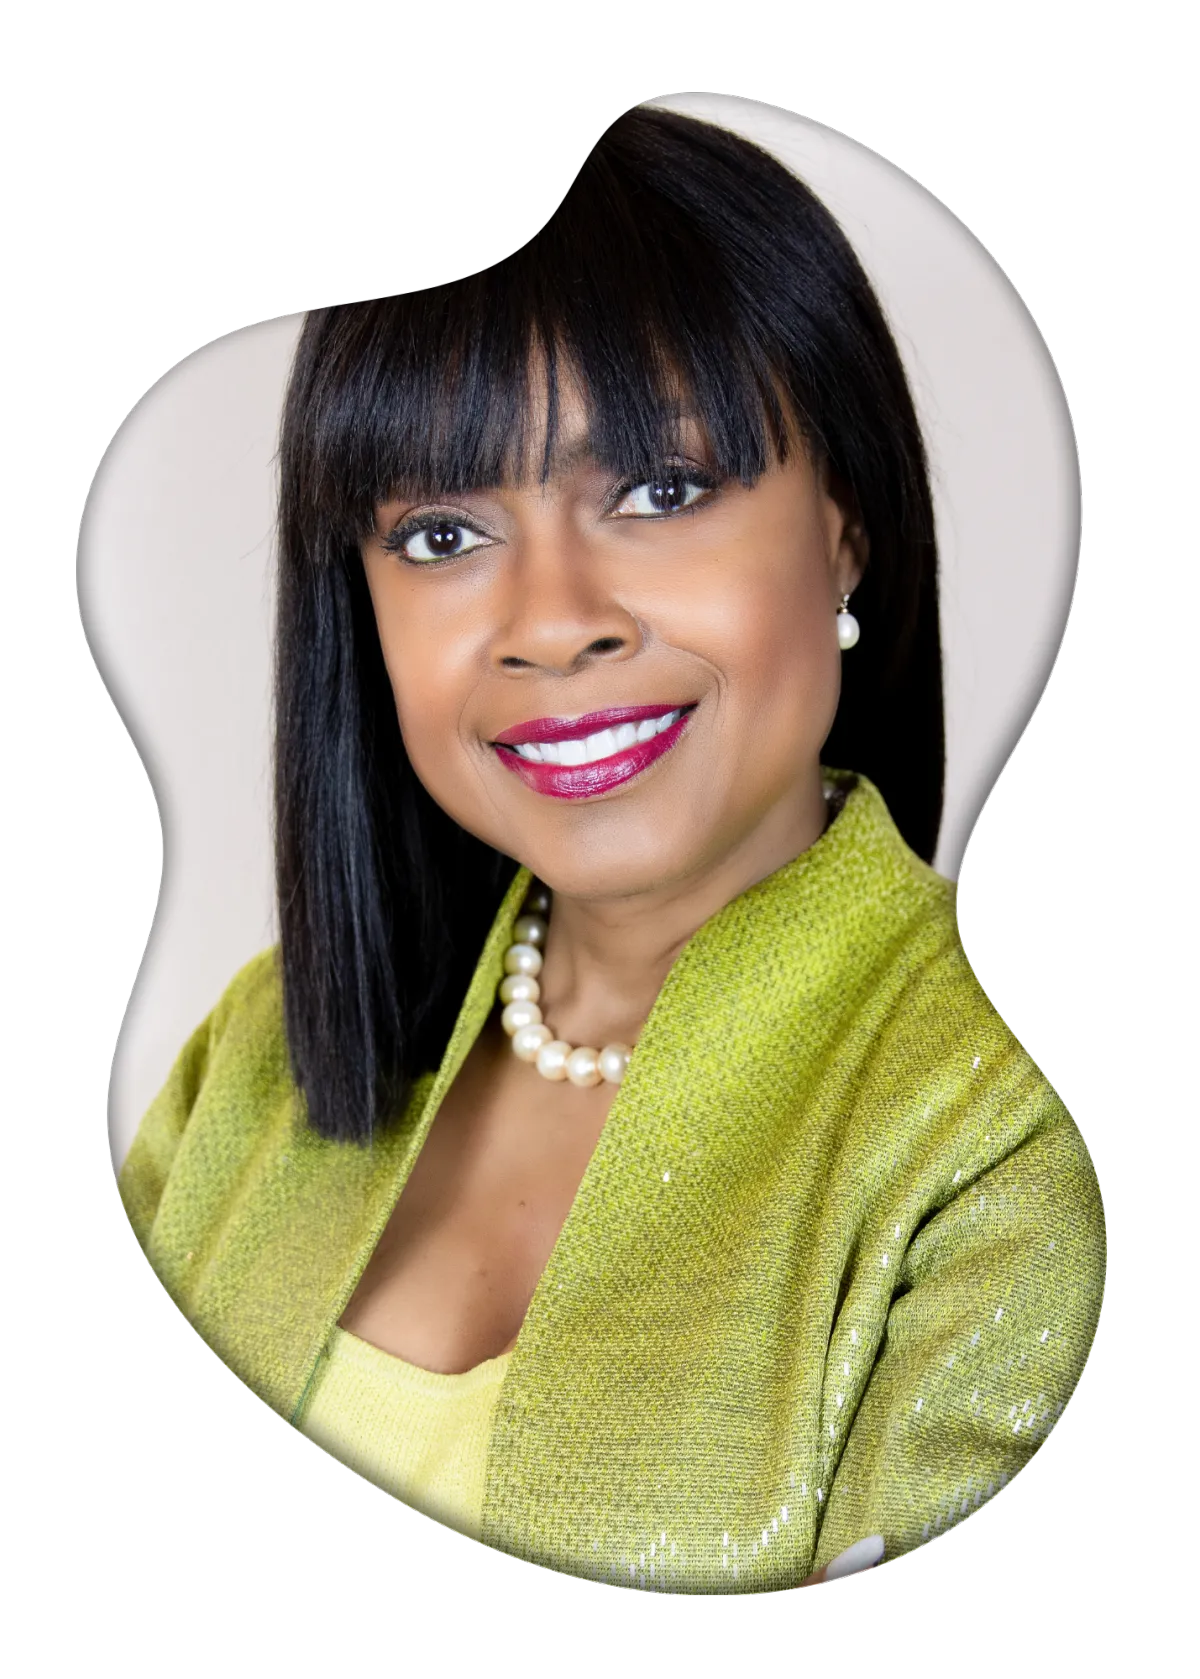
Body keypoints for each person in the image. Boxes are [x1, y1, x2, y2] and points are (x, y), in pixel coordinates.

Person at [116, 105, 1106, 1595]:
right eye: (441, 535)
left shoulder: (1011, 1137)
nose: (554, 620)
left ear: (844, 527)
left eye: (661, 491)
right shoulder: (252, 1059)